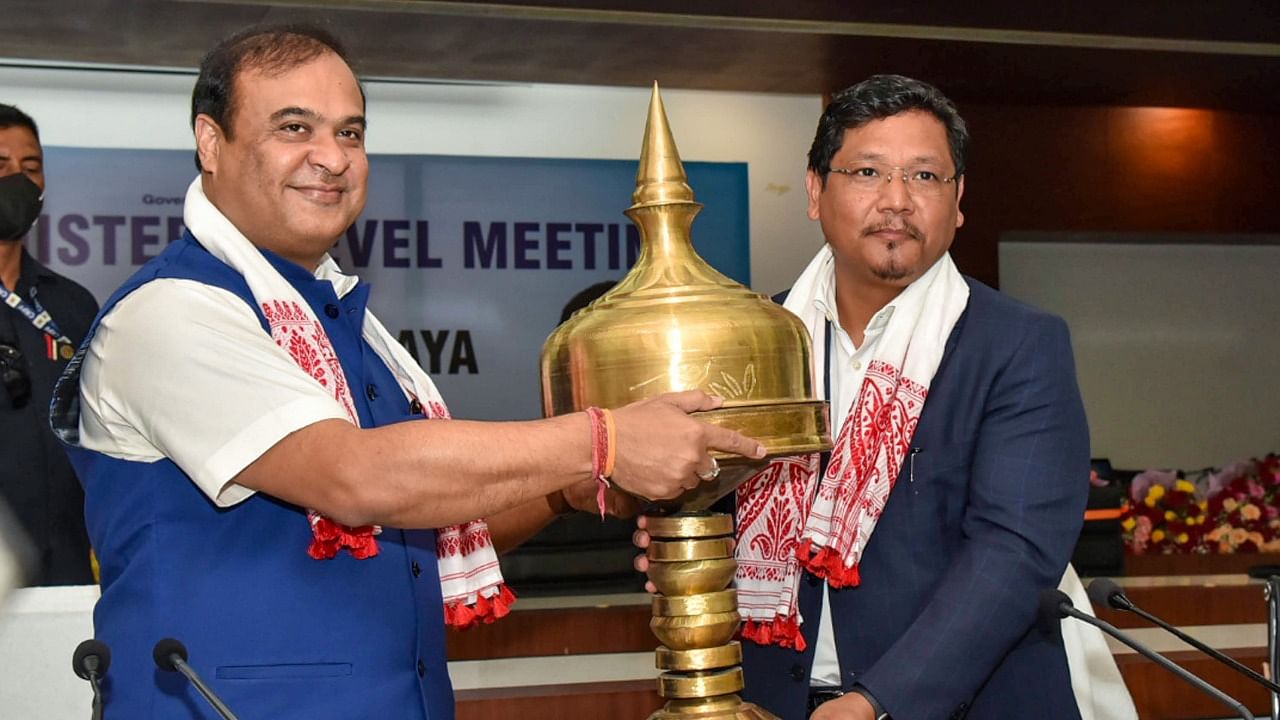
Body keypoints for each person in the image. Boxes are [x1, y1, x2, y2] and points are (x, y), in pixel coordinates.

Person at [49, 25, 763, 720]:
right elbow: (356, 479)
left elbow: (432, 514)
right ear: (212, 142)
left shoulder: (348, 323)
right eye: (294, 128)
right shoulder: (169, 315)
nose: (331, 157)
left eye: (350, 132)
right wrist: (602, 440)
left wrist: (567, 492)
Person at [633, 75, 1092, 719]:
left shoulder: (1019, 346)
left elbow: (1013, 556)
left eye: (926, 177)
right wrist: (688, 540)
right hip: (771, 701)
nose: (897, 200)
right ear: (816, 191)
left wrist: (878, 702)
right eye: (869, 171)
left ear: (959, 200)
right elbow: (708, 495)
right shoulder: (751, 342)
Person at [0, 103, 98, 586]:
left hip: (67, 570)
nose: (17, 179)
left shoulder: (72, 304)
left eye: (30, 167)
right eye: (0, 166)